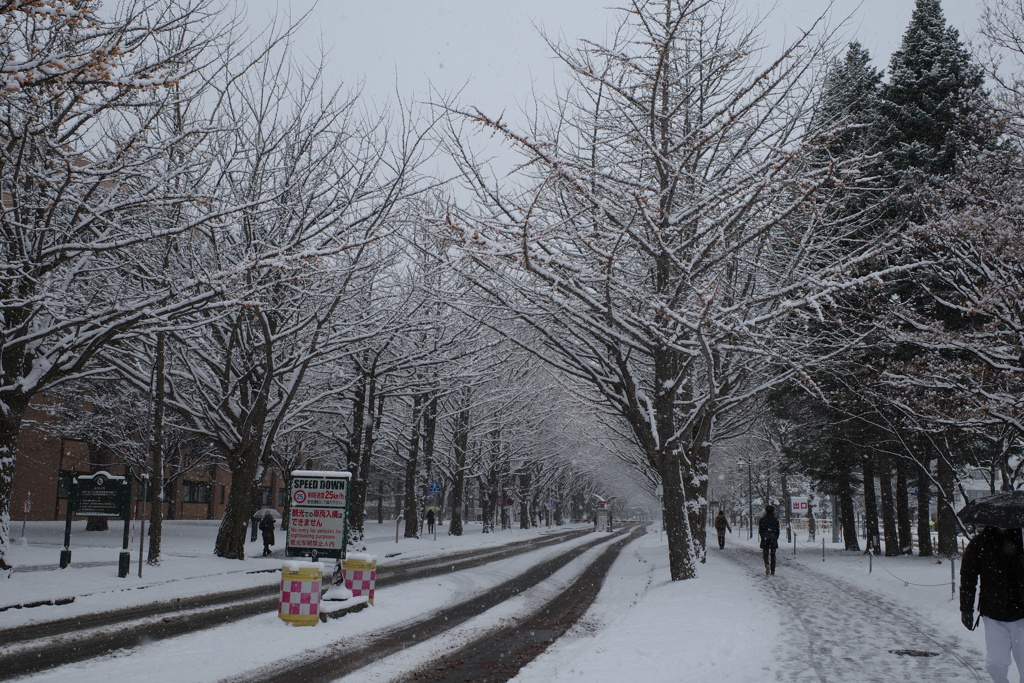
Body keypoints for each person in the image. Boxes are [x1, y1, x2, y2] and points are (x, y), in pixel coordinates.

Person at [960, 525, 1024, 683]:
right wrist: (966, 609)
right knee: (995, 664)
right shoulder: (981, 542)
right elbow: (968, 577)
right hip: (994, 613)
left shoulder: (1022, 540)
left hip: (1022, 614)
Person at [759, 505, 780, 575]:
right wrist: (775, 537)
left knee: (765, 553)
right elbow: (777, 530)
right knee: (773, 555)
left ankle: (767, 564)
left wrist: (763, 537)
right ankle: (773, 570)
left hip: (765, 539)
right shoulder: (775, 520)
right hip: (773, 539)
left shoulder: (762, 519)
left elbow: (760, 530)